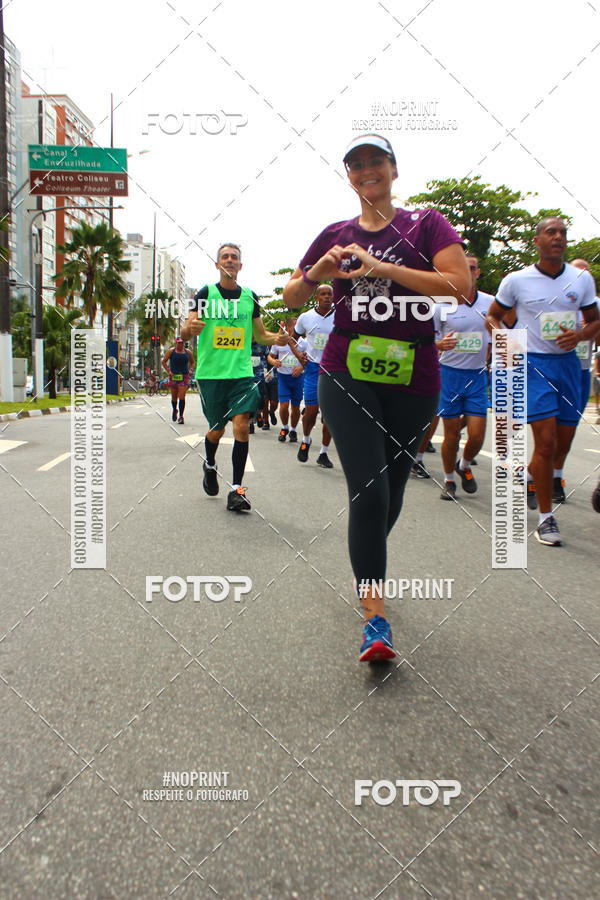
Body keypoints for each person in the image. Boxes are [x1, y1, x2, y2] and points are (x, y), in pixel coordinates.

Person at [283, 133, 469, 661]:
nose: (367, 170)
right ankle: (375, 616)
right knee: (369, 491)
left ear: (393, 169)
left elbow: (458, 287)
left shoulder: (425, 224)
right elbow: (292, 295)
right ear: (349, 176)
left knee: (392, 493)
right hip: (347, 371)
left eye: (375, 162)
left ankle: (368, 558)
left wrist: (383, 268)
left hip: (415, 374)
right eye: (356, 164)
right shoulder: (334, 234)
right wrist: (318, 271)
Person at [486, 218, 600, 546]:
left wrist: (580, 335)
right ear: (536, 240)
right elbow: (492, 316)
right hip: (532, 365)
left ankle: (537, 476)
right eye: (551, 232)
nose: (558, 237)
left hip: (568, 367)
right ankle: (546, 519)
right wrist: (507, 342)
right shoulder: (516, 281)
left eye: (563, 232)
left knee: (562, 445)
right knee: (546, 442)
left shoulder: (582, 279)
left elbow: (595, 321)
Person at [180, 242, 288, 512]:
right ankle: (210, 465)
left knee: (241, 426)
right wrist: (188, 328)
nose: (229, 260)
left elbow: (261, 335)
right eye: (224, 257)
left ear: (240, 266)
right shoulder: (206, 293)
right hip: (212, 375)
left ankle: (236, 490)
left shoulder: (250, 297)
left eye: (234, 257)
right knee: (216, 431)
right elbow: (186, 330)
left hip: (241, 375)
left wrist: (281, 337)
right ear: (218, 264)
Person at [434, 255, 494, 500]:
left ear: (478, 272)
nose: (468, 272)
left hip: (478, 376)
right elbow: (429, 341)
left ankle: (464, 465)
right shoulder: (441, 305)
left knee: (478, 435)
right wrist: (441, 343)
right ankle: (449, 480)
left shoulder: (491, 303)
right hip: (449, 375)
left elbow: (501, 334)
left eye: (472, 268)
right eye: (463, 268)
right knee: (452, 435)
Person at [549, 258, 600, 501]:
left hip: (578, 372)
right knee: (545, 429)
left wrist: (584, 333)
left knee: (567, 430)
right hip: (549, 367)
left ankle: (556, 476)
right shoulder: (555, 301)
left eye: (585, 273)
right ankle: (537, 471)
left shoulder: (595, 306)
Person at [292, 283, 336, 467]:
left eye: (329, 294)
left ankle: (323, 453)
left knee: (330, 416)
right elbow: (292, 339)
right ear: (316, 297)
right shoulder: (306, 317)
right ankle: (306, 439)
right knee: (311, 411)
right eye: (323, 294)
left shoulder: (341, 316)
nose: (326, 297)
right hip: (313, 368)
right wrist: (298, 355)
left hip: (334, 369)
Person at [267, 319, 304, 443]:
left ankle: (293, 430)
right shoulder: (279, 342)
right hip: (283, 377)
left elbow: (309, 360)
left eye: (298, 328)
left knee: (295, 406)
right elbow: (270, 357)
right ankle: (284, 428)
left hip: (298, 379)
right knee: (283, 405)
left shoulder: (304, 343)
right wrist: (274, 362)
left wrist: (301, 367)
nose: (296, 331)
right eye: (293, 328)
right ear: (287, 329)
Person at [162, 337, 194, 424]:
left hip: (184, 376)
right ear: (176, 343)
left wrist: (191, 370)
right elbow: (164, 361)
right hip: (174, 376)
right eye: (179, 343)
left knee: (182, 396)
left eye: (182, 343)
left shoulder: (188, 352)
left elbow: (192, 362)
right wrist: (169, 371)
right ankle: (174, 410)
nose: (180, 344)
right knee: (174, 397)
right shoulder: (171, 351)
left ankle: (181, 416)